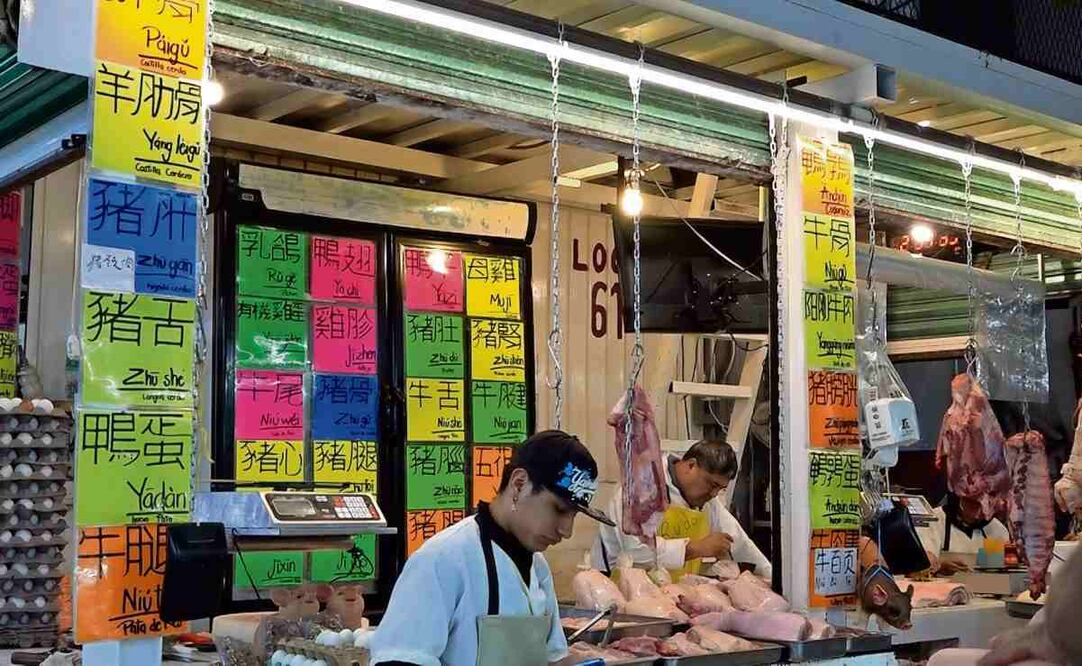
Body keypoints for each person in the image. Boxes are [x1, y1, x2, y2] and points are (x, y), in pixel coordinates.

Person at [369, 430, 613, 666]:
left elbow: (551, 658)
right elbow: (400, 660)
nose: (567, 530)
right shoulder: (443, 559)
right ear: (519, 484)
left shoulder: (538, 569)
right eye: (558, 510)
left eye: (573, 515)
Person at [591, 439, 772, 580]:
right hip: (616, 592)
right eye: (712, 484)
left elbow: (739, 542)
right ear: (691, 465)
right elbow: (636, 551)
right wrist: (695, 548)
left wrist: (772, 577)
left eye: (720, 488)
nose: (714, 494)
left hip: (666, 596)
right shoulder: (643, 486)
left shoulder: (708, 501)